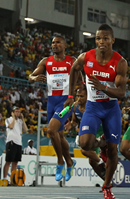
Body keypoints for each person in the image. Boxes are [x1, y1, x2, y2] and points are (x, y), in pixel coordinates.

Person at [64, 24, 127, 199]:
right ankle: (101, 143)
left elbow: (121, 92)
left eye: (105, 38)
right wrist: (70, 94)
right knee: (84, 144)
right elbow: (73, 69)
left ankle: (107, 186)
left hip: (111, 109)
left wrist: (103, 87)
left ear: (112, 40)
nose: (101, 42)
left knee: (114, 151)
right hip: (93, 107)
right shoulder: (86, 57)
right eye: (98, 38)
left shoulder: (120, 62)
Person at [28, 35, 80, 182]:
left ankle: (60, 161)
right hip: (51, 102)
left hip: (65, 103)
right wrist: (34, 78)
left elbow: (81, 82)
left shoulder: (72, 61)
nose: (54, 45)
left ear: (64, 46)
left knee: (51, 130)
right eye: (52, 43)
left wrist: (75, 103)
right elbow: (31, 76)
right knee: (60, 136)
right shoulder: (46, 61)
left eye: (58, 42)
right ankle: (70, 161)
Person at [65, 84, 107, 180]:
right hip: (89, 133)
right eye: (77, 96)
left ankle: (101, 164)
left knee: (85, 150)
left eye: (82, 96)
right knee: (92, 162)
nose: (79, 98)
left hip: (100, 132)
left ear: (88, 96)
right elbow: (75, 121)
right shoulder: (75, 106)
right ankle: (106, 182)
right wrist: (71, 125)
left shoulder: (92, 106)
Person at [3, 106, 28, 182]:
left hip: (18, 142)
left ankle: (13, 179)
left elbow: (26, 130)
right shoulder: (8, 119)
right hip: (11, 141)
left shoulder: (20, 121)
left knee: (15, 162)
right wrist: (14, 118)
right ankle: (5, 178)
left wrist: (23, 120)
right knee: (8, 161)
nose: (18, 113)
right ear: (13, 113)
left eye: (19, 112)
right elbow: (11, 126)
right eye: (16, 112)